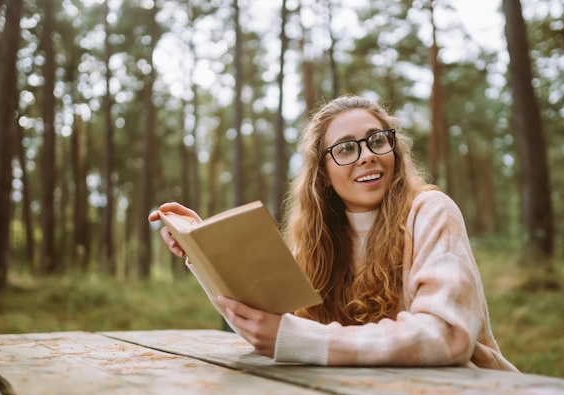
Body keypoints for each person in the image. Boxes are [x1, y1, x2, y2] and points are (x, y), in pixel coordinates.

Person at [148, 95, 518, 372]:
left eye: (377, 140)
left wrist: (301, 340)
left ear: (394, 150)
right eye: (345, 149)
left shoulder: (432, 212)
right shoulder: (318, 239)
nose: (367, 155)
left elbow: (445, 335)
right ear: (323, 172)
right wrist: (202, 251)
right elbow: (265, 325)